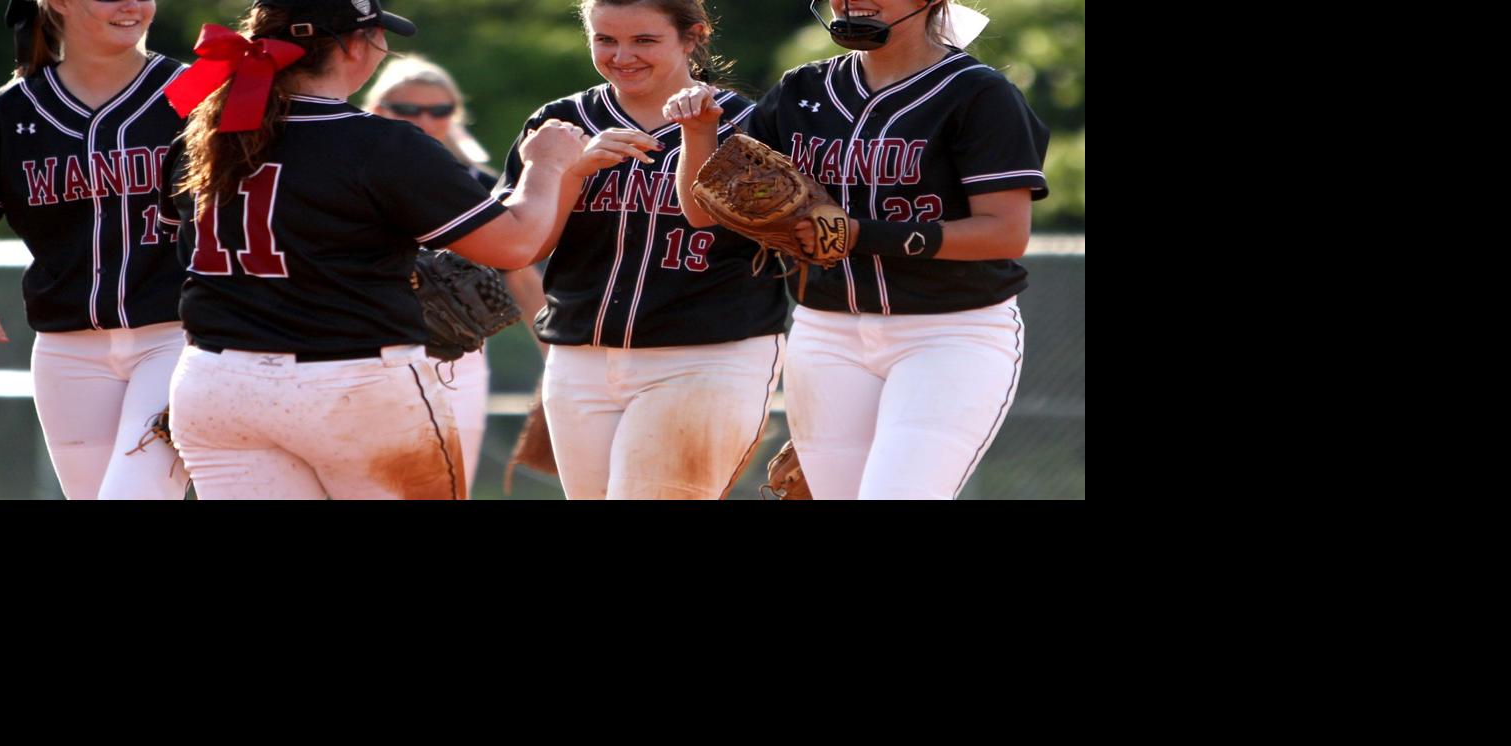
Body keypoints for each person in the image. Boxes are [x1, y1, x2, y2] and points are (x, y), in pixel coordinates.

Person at [155, 0, 586, 499]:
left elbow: (176, 249)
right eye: (378, 36)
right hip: (352, 382)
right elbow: (515, 244)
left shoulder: (204, 134)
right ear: (352, 46)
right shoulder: (379, 144)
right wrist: (547, 164)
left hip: (216, 383)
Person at [669, 0, 1050, 500]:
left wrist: (861, 234)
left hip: (949, 333)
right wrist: (697, 133)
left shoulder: (978, 93)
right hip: (826, 333)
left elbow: (1004, 233)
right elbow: (704, 215)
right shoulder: (803, 89)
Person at [498, 0, 792, 500]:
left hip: (706, 356)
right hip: (580, 357)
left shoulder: (749, 122)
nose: (622, 56)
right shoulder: (561, 122)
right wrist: (571, 170)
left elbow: (719, 218)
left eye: (644, 40)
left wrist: (700, 136)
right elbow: (523, 248)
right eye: (605, 39)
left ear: (693, 36)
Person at [0, 0, 189, 500]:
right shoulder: (8, 112)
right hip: (67, 351)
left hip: (178, 337)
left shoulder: (197, 92)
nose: (133, 5)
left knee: (135, 493)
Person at [363, 56, 549, 495]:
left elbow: (521, 276)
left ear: (455, 115)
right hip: (365, 351)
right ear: (377, 110)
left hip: (455, 356)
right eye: (408, 110)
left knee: (450, 483)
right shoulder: (350, 176)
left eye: (439, 110)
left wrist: (556, 357)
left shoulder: (479, 185)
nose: (425, 120)